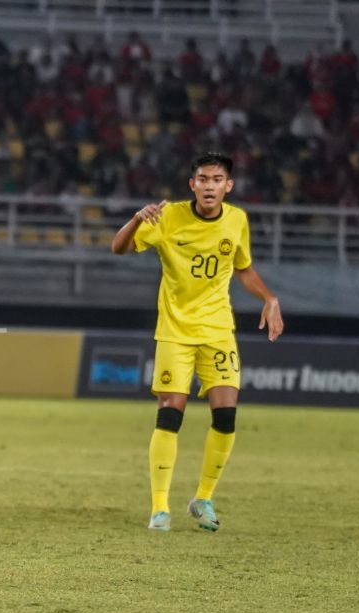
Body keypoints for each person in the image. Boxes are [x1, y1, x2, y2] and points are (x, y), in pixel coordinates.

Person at [111, 151, 284, 533]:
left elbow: (243, 268)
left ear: (228, 186)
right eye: (202, 179)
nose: (209, 185)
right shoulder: (168, 216)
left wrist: (268, 298)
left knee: (226, 414)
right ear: (192, 185)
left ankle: (202, 498)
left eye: (216, 179)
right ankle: (160, 509)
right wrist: (138, 218)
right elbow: (118, 247)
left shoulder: (237, 220)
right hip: (175, 330)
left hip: (218, 331)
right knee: (171, 412)